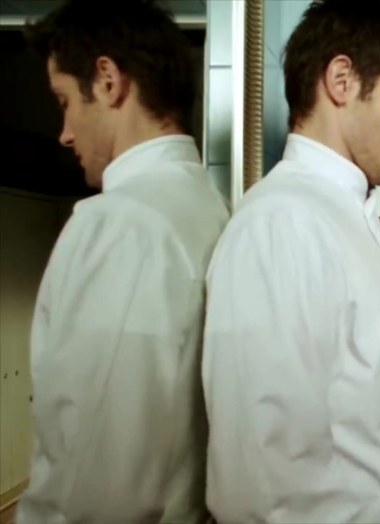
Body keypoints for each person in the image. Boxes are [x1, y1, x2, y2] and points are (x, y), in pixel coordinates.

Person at [201, 1, 380, 522]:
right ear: (342, 80)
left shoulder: (351, 215)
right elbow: (263, 482)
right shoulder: (282, 224)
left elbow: (371, 402)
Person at [17, 1, 230, 523]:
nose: (65, 132)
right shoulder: (209, 208)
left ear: (108, 81)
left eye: (66, 101)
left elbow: (98, 478)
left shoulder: (121, 224)